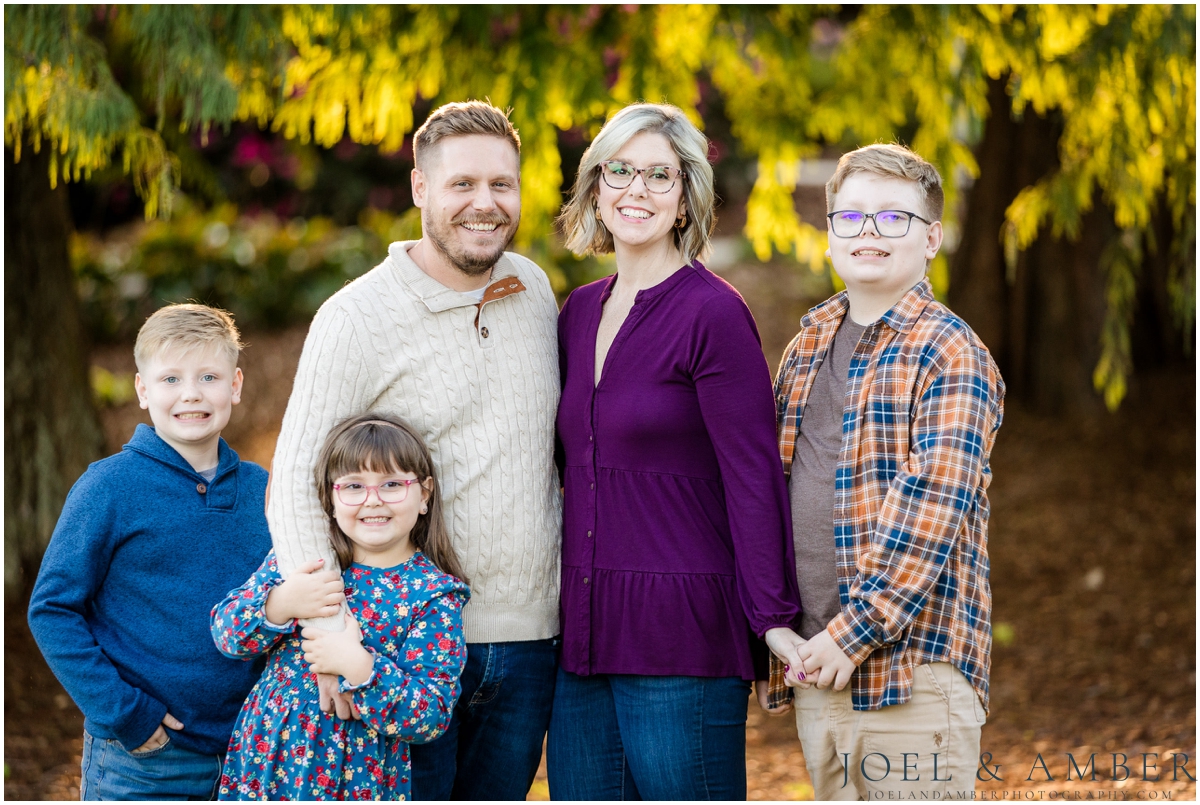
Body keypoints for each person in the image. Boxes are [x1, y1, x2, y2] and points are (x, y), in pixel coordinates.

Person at [267, 100, 562, 800]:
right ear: (420, 189)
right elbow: (294, 484)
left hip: (525, 643)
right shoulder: (355, 317)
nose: (485, 204)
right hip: (395, 643)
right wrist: (329, 631)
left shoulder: (535, 290)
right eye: (462, 184)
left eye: (502, 184)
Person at [548, 102, 806, 800]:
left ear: (686, 198)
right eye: (620, 170)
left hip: (682, 638)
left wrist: (772, 618)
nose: (637, 189)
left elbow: (753, 477)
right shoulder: (575, 313)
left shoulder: (713, 313)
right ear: (596, 187)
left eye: (659, 175)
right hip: (584, 637)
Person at [768, 143, 1005, 799]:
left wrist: (853, 633)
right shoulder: (808, 344)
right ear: (829, 234)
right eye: (851, 218)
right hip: (819, 664)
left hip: (911, 671)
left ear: (931, 237)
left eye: (892, 219)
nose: (868, 233)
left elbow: (931, 506)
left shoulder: (950, 350)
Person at [27, 303, 270, 800]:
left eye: (208, 376)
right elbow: (52, 611)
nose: (191, 394)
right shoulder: (109, 488)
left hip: (250, 753)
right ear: (142, 390)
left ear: (235, 385)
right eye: (170, 379)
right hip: (144, 761)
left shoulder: (262, 492)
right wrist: (127, 715)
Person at [212, 414, 469, 800]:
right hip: (270, 766)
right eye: (353, 486)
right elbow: (227, 635)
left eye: (392, 484)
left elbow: (430, 715)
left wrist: (357, 664)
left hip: (355, 780)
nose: (373, 500)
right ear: (330, 498)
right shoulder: (303, 561)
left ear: (425, 494)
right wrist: (281, 603)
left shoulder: (432, 595)